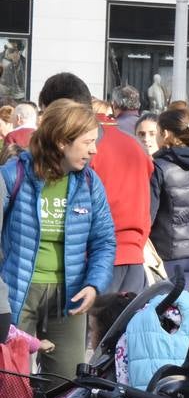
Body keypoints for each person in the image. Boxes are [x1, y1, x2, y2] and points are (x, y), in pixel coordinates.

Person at [1, 99, 115, 380]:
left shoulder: (89, 183)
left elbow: (104, 241)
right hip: (17, 295)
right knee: (13, 384)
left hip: (70, 298)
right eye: (87, 141)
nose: (94, 149)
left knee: (65, 385)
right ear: (62, 142)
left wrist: (93, 284)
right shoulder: (12, 175)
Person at [39, 73, 153, 294]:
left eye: (46, 114)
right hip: (133, 259)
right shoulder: (135, 145)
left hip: (92, 263)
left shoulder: (79, 151)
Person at [150, 107, 189, 287]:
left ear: (166, 133)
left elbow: (149, 216)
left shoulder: (159, 167)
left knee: (161, 309)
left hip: (166, 253)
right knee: (182, 309)